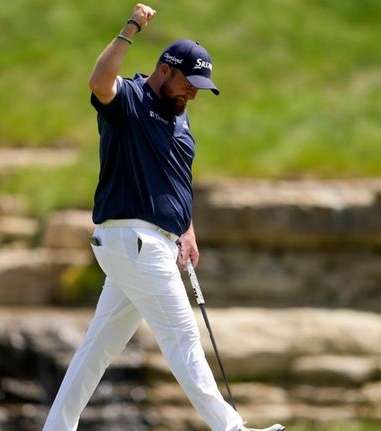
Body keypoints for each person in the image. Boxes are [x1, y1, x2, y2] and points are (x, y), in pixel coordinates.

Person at [42, 4, 285, 431]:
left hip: (143, 245)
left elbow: (174, 180)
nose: (192, 93)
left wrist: (186, 227)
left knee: (97, 348)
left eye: (199, 88)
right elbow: (98, 81)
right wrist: (131, 27)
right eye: (189, 84)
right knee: (182, 336)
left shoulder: (180, 120)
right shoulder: (130, 101)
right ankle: (231, 429)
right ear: (165, 70)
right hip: (134, 241)